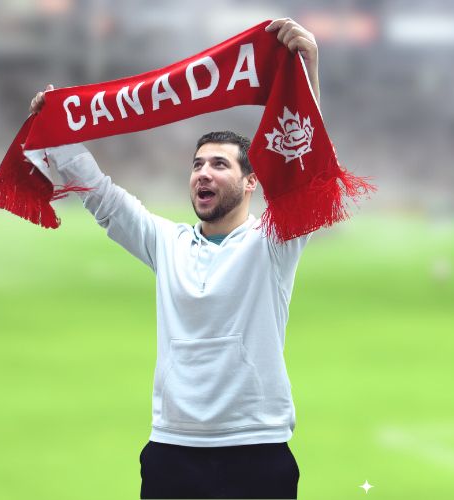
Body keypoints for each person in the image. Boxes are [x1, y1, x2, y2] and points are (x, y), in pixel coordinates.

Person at [25, 18, 323, 499]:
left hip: (256, 448)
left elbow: (304, 173)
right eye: (197, 164)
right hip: (173, 449)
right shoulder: (168, 243)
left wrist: (306, 72)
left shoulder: (272, 243)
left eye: (220, 164)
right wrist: (58, 135)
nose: (203, 173)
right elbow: (104, 198)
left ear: (251, 182)